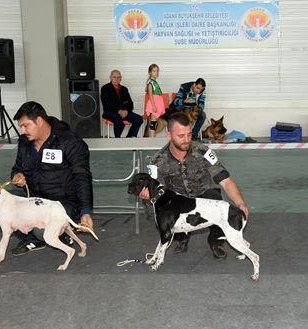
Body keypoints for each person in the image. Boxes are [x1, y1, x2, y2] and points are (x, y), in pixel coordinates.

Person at [0, 101, 94, 256]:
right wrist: (17, 176)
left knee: (40, 229)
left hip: (64, 202)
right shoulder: (24, 143)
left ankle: (59, 233)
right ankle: (34, 239)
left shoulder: (70, 142)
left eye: (26, 125)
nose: (22, 131)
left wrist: (85, 211)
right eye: (21, 127)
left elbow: (82, 177)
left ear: (39, 121)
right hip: (34, 199)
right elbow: (17, 167)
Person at [140, 112, 249, 258]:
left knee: (216, 200)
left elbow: (225, 180)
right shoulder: (157, 161)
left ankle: (216, 240)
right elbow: (153, 197)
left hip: (204, 195)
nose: (186, 140)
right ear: (168, 135)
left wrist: (240, 204)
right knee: (165, 207)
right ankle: (181, 237)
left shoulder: (203, 152)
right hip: (179, 202)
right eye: (180, 136)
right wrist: (146, 197)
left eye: (189, 134)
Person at [100, 69, 143, 138]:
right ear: (110, 77)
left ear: (121, 78)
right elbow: (107, 103)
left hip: (124, 112)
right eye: (114, 77)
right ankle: (117, 140)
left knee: (138, 119)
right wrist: (118, 111)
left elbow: (130, 104)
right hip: (110, 112)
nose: (117, 79)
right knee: (118, 120)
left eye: (118, 77)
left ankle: (129, 138)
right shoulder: (105, 88)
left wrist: (126, 111)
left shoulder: (124, 89)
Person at [144, 64, 165, 138]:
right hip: (154, 103)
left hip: (158, 102)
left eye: (157, 71)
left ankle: (151, 138)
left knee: (154, 122)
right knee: (153, 123)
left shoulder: (155, 82)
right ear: (150, 72)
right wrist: (153, 106)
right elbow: (150, 96)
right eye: (154, 71)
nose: (156, 73)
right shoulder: (150, 83)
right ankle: (152, 139)